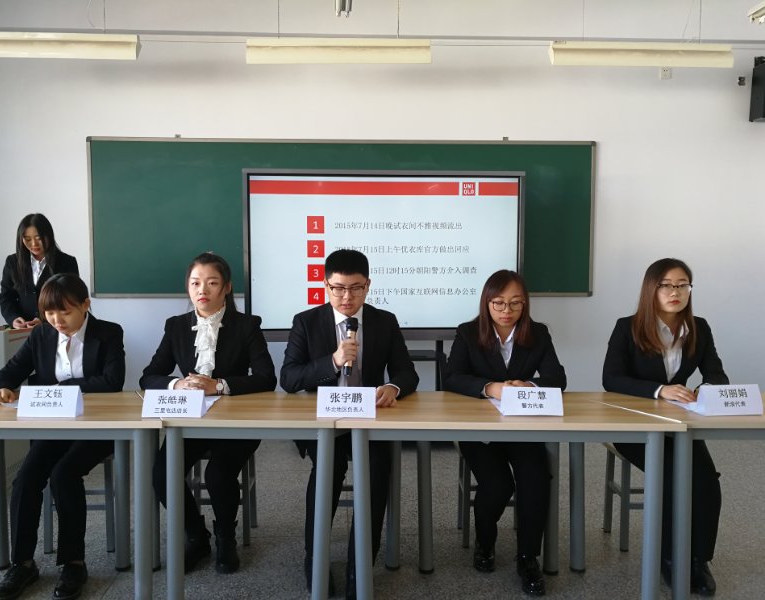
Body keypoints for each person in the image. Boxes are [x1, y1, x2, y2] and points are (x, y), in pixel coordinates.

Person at [280, 248, 419, 599]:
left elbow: (407, 372)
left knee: (376, 470)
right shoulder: (306, 321)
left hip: (370, 421)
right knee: (327, 469)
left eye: (355, 288)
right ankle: (315, 558)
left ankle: (360, 567)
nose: (346, 297)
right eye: (338, 288)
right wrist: (333, 360)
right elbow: (289, 378)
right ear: (325, 285)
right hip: (325, 421)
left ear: (368, 285)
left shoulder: (384, 321)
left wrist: (393, 387)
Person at [0, 273, 125, 600]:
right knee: (25, 478)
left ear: (85, 305)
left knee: (64, 474)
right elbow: (12, 369)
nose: (56, 320)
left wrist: (60, 389)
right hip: (54, 426)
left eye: (65, 311)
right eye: (49, 312)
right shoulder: (41, 334)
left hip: (98, 426)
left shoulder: (108, 332)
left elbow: (112, 381)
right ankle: (22, 564)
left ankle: (73, 563)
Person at [140, 252, 276, 574]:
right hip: (191, 422)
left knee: (217, 474)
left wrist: (219, 386)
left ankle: (225, 538)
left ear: (226, 287)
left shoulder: (247, 326)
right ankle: (196, 535)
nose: (202, 290)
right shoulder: (176, 326)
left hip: (238, 422)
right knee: (161, 473)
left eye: (212, 283)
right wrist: (177, 384)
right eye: (195, 283)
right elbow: (149, 376)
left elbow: (267, 378)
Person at [603, 257, 727, 597]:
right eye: (667, 285)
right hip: (634, 427)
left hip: (679, 426)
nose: (676, 292)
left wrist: (706, 390)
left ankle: (698, 560)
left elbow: (716, 373)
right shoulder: (627, 327)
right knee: (673, 477)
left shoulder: (699, 327)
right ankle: (670, 558)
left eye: (683, 285)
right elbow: (611, 379)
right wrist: (660, 390)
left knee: (706, 481)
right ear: (651, 289)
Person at [443, 269, 566, 597]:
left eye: (515, 303)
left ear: (525, 304)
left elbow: (557, 379)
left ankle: (528, 557)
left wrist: (529, 385)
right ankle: (485, 541)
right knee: (498, 485)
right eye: (498, 303)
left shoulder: (538, 333)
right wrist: (491, 387)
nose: (506, 310)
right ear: (487, 303)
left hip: (521, 426)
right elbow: (451, 377)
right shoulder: (468, 332)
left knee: (536, 477)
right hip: (479, 430)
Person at [0, 213, 79, 329]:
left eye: (39, 238)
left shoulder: (67, 262)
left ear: (49, 236)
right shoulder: (12, 262)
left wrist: (45, 320)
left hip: (55, 329)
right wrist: (14, 318)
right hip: (23, 331)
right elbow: (6, 297)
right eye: (27, 239)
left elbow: (71, 300)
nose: (34, 244)